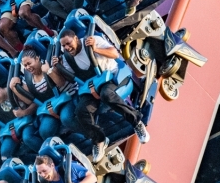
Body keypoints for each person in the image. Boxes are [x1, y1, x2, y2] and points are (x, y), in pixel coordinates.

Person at [50, 26, 148, 160]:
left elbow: (114, 53)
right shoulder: (67, 57)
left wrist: (96, 49)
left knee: (107, 95)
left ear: (76, 39)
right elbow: (68, 79)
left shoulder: (92, 41)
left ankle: (137, 122)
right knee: (80, 111)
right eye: (64, 45)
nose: (67, 47)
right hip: (90, 86)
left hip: (109, 77)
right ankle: (99, 140)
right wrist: (58, 68)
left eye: (69, 43)